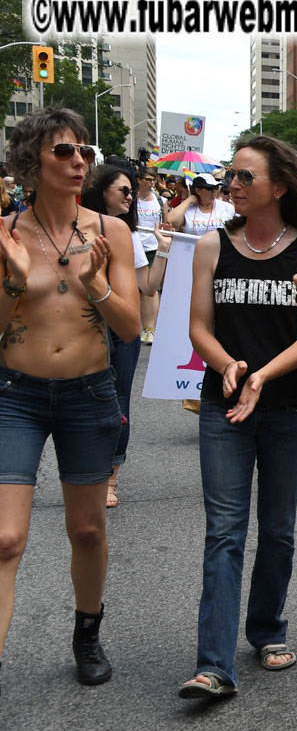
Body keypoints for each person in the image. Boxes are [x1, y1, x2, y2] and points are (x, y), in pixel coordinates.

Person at [177, 136, 297, 700]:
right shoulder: (212, 246)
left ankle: (267, 628)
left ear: (279, 186)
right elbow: (198, 326)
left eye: (244, 177)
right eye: (229, 177)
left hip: (289, 407)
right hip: (225, 409)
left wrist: (263, 376)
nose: (231, 186)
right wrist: (229, 367)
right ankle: (213, 664)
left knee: (279, 529)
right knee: (223, 532)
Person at [0, 107, 140, 693]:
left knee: (86, 530)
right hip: (16, 397)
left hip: (89, 393)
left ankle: (87, 632)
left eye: (84, 151)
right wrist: (12, 278)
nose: (80, 161)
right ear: (31, 161)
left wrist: (96, 284)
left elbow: (130, 327)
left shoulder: (111, 232)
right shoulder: (6, 233)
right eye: (64, 152)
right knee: (6, 538)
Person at [80, 165, 171, 509]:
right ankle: (84, 472)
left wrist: (162, 249)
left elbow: (147, 287)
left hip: (122, 334)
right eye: (124, 190)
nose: (131, 196)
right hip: (85, 328)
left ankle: (110, 477)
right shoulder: (75, 231)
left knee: (118, 402)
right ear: (101, 191)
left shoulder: (130, 236)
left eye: (132, 191)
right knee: (81, 401)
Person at [134, 167, 166, 344]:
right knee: (139, 290)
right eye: (148, 179)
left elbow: (166, 223)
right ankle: (143, 327)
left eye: (154, 179)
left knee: (151, 289)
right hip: (135, 246)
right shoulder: (131, 200)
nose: (151, 183)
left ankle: (151, 329)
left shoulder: (161, 200)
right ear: (139, 180)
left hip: (153, 247)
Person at [167, 173, 236, 237]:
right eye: (209, 188)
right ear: (198, 191)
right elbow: (170, 222)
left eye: (216, 187)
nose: (214, 191)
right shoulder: (188, 209)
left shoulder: (227, 207)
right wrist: (189, 200)